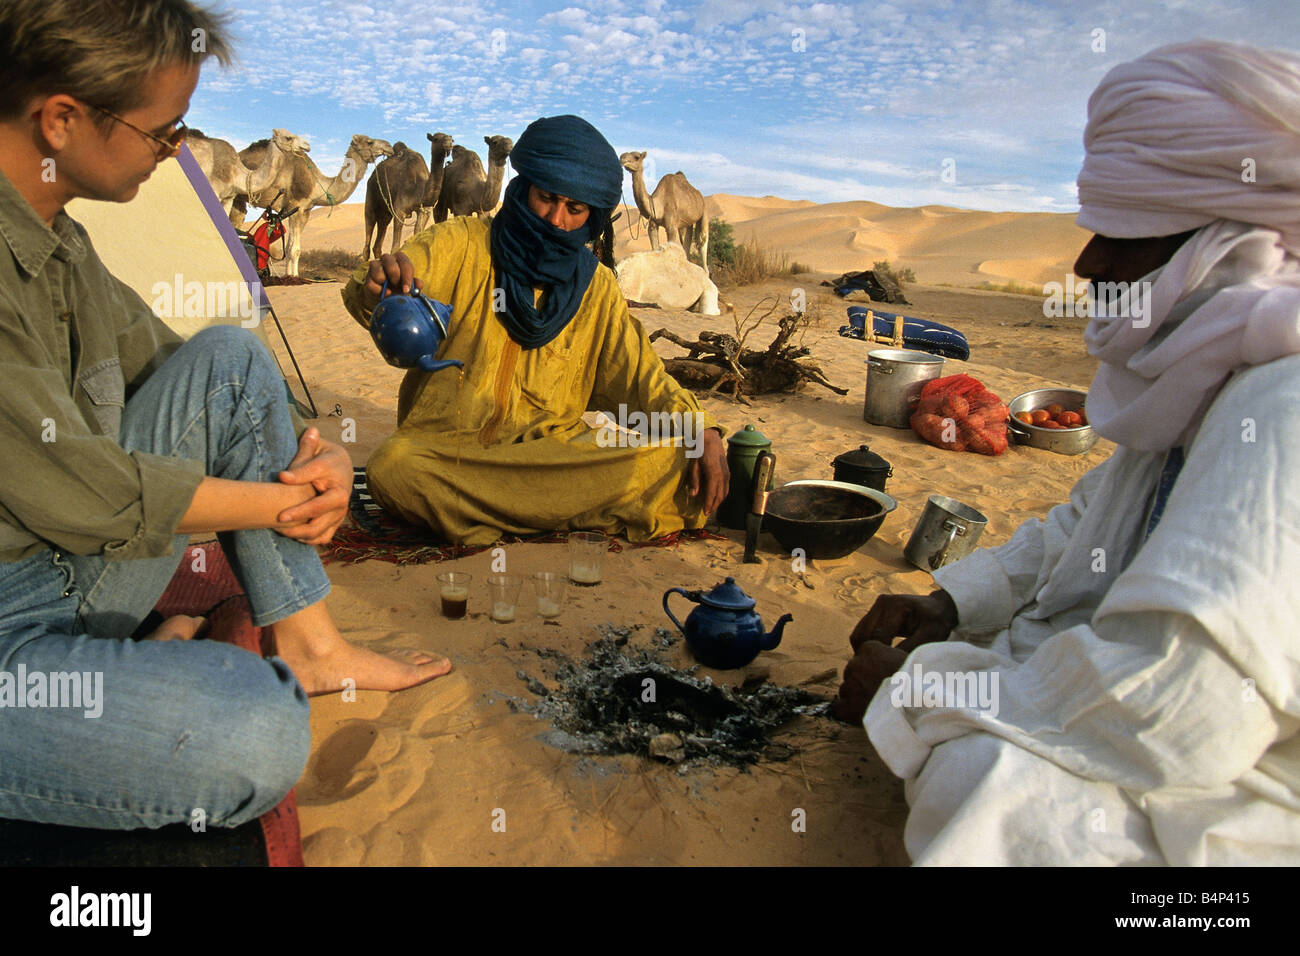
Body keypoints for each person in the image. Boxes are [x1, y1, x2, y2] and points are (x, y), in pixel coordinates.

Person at [835, 40, 1300, 865]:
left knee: (986, 785)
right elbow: (1090, 523)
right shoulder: (1210, 374)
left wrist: (923, 690)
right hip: (1151, 714)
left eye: (1124, 234)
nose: (1088, 264)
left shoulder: (1283, 402)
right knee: (971, 661)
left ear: (1230, 243)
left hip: (1244, 777)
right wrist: (953, 601)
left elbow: (1181, 712)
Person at [0, 0, 450, 831]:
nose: (177, 153)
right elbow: (88, 493)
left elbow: (186, 368)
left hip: (62, 570)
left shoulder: (60, 242)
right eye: (164, 131)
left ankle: (313, 644)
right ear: (61, 119)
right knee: (255, 728)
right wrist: (288, 503)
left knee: (234, 359)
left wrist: (324, 459)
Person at [341, 114, 729, 547]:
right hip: (452, 451)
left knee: (670, 460)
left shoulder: (596, 288)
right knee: (393, 468)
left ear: (592, 216)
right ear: (524, 189)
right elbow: (384, 285)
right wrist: (380, 284)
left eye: (574, 208)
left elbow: (641, 380)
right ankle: (556, 513)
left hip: (554, 456)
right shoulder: (461, 243)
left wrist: (702, 430)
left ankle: (497, 515)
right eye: (547, 198)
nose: (556, 219)